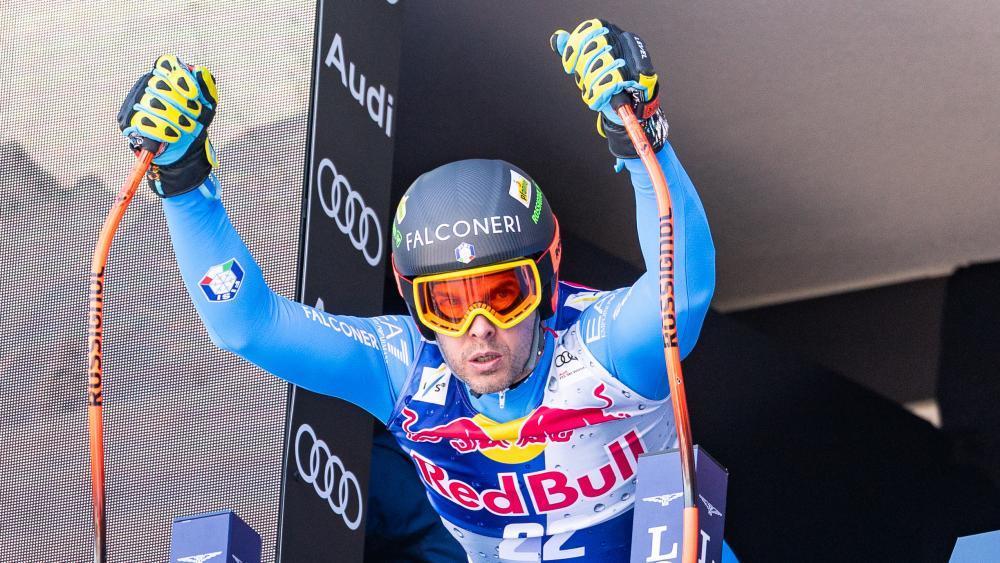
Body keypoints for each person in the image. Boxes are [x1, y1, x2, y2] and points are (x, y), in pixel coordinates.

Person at [119, 18, 728, 562]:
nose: (478, 327)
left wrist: (638, 133)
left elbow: (684, 290)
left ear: (545, 282)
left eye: (502, 294)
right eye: (448, 304)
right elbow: (248, 326)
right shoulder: (405, 367)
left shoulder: (605, 346)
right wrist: (183, 183)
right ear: (416, 307)